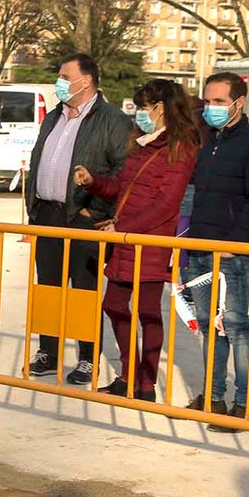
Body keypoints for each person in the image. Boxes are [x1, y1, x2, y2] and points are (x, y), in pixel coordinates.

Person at [72, 79, 201, 401]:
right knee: (114, 305)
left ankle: (146, 383)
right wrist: (94, 183)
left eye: (144, 107)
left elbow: (166, 204)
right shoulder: (141, 143)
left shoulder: (180, 147)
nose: (139, 113)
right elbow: (122, 188)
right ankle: (127, 374)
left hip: (150, 241)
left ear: (160, 108)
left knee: (147, 311)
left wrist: (125, 229)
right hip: (125, 238)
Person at [181, 70, 249, 431]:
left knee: (236, 327)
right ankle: (213, 396)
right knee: (209, 327)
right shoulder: (206, 144)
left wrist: (237, 245)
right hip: (200, 248)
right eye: (208, 101)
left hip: (233, 254)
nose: (212, 108)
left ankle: (244, 403)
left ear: (239, 102)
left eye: (220, 101)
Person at [24, 55, 130, 384]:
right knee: (49, 287)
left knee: (83, 289)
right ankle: (48, 350)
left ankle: (87, 356)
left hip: (84, 217)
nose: (59, 82)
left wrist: (94, 208)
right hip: (48, 214)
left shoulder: (112, 120)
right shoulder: (54, 116)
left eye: (63, 76)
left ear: (84, 81)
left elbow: (123, 171)